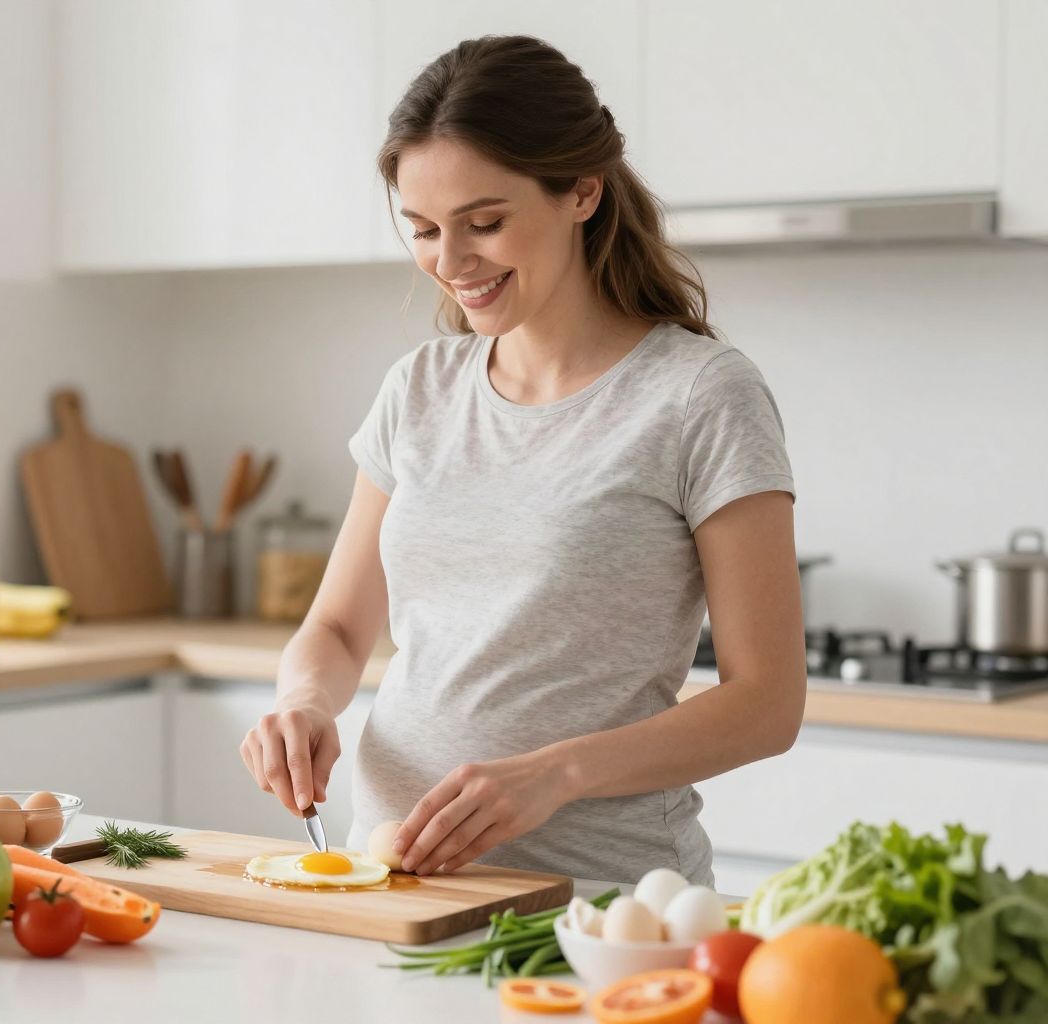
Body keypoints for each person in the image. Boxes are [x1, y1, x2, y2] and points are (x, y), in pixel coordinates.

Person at [238, 35, 806, 886]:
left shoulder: (699, 395)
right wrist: (304, 701)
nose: (451, 263)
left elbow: (767, 703)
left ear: (583, 190)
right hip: (394, 885)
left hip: (601, 907)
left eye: (485, 222)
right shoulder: (419, 390)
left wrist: (556, 773)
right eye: (424, 230)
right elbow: (339, 628)